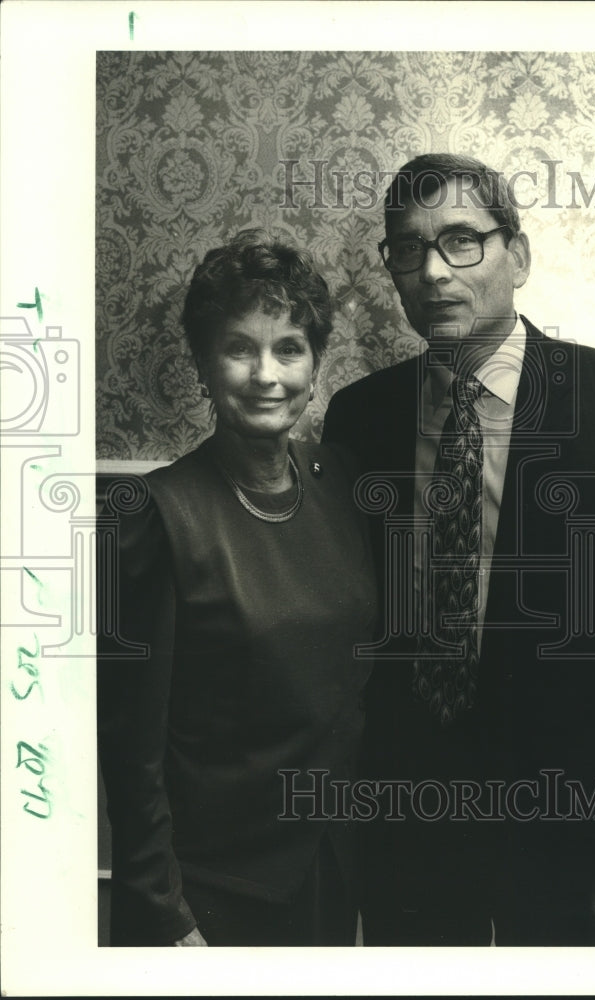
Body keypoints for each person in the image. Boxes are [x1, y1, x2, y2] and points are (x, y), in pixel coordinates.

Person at [322, 153, 595, 946]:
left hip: (570, 828)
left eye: (460, 241)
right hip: (408, 823)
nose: (431, 271)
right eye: (407, 249)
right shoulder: (361, 416)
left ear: (516, 256)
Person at [97, 230, 376, 946]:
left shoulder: (339, 480)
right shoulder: (157, 515)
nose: (266, 374)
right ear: (201, 361)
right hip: (216, 891)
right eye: (238, 347)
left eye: (288, 347)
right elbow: (132, 751)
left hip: (333, 868)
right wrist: (165, 915)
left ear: (315, 364)